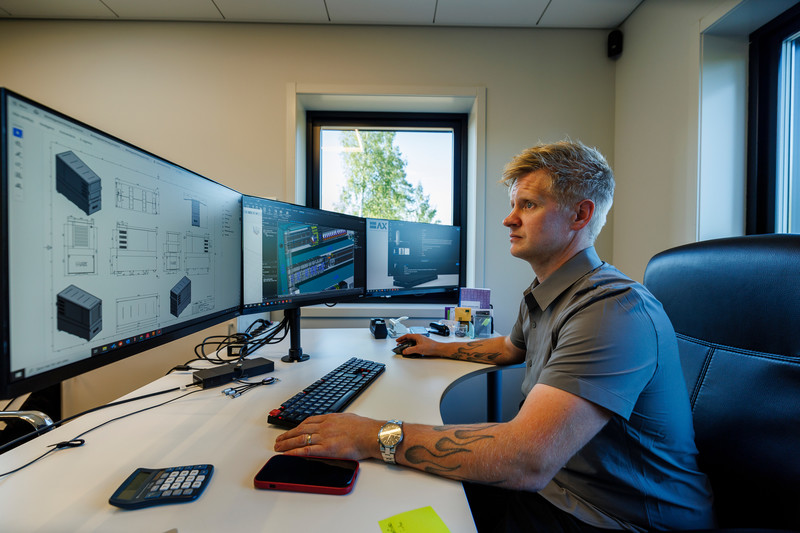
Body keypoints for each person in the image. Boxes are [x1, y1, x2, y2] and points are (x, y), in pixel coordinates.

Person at [274, 140, 715, 532]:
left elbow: (526, 459)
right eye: (513, 205)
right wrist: (437, 347)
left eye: (528, 205)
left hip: (614, 517)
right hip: (558, 489)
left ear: (580, 214)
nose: (509, 219)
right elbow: (508, 349)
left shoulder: (610, 311)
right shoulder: (546, 293)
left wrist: (371, 436)